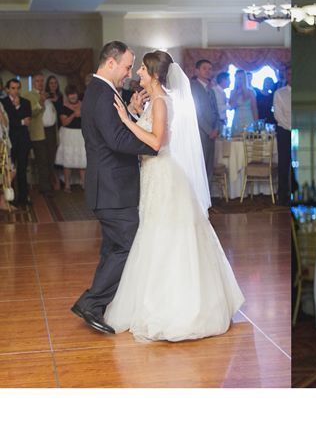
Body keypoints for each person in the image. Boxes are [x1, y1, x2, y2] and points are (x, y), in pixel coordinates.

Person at [102, 50, 244, 341]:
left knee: (165, 236)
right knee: (154, 235)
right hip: (154, 175)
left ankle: (177, 305)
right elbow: (148, 129)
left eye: (141, 68)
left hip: (165, 175)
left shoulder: (161, 100)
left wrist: (126, 121)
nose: (137, 72)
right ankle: (152, 299)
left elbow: (157, 141)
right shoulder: (154, 100)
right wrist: (132, 110)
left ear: (154, 74)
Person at [72, 41, 158, 335]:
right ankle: (92, 303)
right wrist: (154, 146)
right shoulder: (101, 94)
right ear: (110, 63)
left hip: (110, 187)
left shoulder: (103, 91)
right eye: (126, 66)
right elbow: (117, 141)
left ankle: (97, 302)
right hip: (111, 188)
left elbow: (117, 131)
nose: (129, 72)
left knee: (113, 248)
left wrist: (133, 113)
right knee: (125, 245)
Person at [1, 79, 32, 207]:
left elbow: (28, 119)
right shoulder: (3, 103)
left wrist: (18, 108)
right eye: (13, 88)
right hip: (9, 142)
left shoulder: (25, 102)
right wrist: (20, 120)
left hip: (23, 140)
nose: (15, 91)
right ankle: (10, 198)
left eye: (17, 88)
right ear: (7, 89)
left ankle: (23, 198)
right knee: (9, 170)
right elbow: (9, 122)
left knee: (22, 169)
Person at [190, 59, 220, 182]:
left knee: (209, 166)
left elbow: (216, 112)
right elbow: (196, 112)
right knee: (199, 166)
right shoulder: (192, 87)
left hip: (212, 132)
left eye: (210, 69)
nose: (208, 71)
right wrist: (209, 131)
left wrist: (217, 128)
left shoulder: (211, 90)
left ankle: (208, 198)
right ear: (197, 71)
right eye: (204, 68)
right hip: (200, 132)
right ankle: (200, 199)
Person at [56, 86, 86, 192]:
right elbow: (64, 122)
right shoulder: (63, 106)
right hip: (68, 135)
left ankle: (83, 184)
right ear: (67, 96)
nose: (72, 96)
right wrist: (74, 114)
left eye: (74, 94)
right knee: (67, 160)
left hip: (81, 135)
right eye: (70, 94)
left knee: (82, 160)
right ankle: (67, 185)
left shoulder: (84, 104)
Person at [24, 74, 51, 194]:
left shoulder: (46, 94)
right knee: (38, 161)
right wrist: (41, 101)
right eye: (37, 81)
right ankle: (38, 189)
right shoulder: (28, 95)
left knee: (45, 161)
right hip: (35, 133)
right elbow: (31, 113)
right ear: (33, 82)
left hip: (47, 133)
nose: (40, 83)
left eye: (41, 81)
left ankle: (46, 187)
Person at [274, 68, 292, 206]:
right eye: (289, 73)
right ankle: (283, 195)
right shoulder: (280, 93)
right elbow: (278, 115)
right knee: (283, 163)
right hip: (284, 131)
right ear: (285, 75)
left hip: (294, 130)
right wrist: (290, 127)